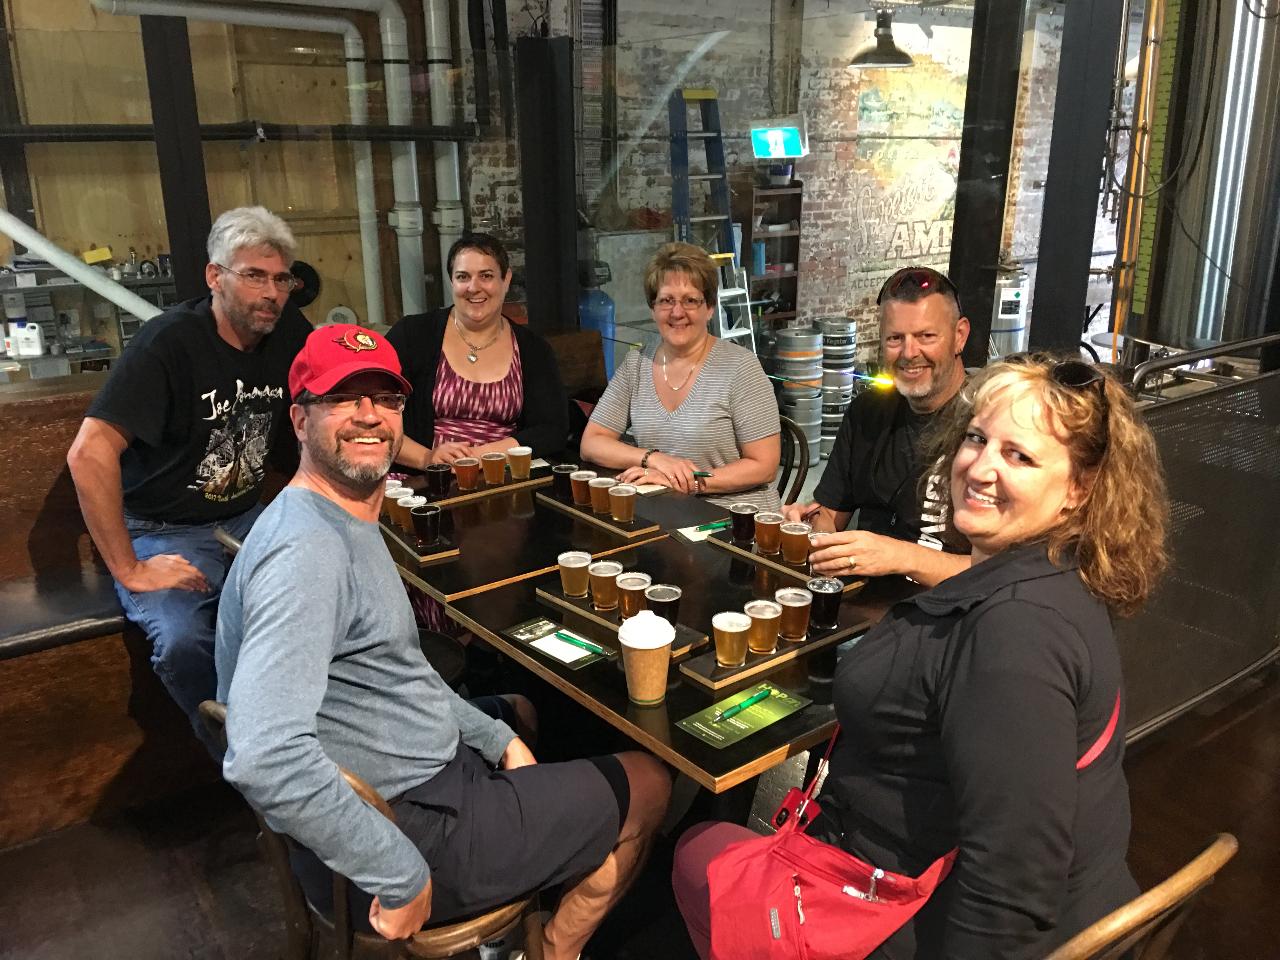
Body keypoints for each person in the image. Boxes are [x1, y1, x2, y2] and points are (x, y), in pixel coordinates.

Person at [673, 355, 1170, 959]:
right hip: (931, 870)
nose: (981, 467)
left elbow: (1012, 882)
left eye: (1019, 456)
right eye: (978, 439)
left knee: (697, 850)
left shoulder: (1015, 633)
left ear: (1079, 489)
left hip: (920, 910)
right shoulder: (1054, 577)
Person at [215, 324, 670, 958]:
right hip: (407, 826)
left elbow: (398, 669)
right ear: (298, 419)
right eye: (345, 398)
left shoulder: (336, 512)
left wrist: (496, 737)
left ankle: (525, 873)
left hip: (403, 768)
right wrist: (399, 876)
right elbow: (262, 755)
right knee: (651, 781)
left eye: (386, 399)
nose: (370, 416)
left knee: (521, 713)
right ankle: (549, 949)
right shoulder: (307, 554)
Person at [66, 206, 311, 743]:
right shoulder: (168, 342)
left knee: (330, 596)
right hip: (163, 531)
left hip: (250, 518)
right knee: (182, 642)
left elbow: (326, 410)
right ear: (214, 276)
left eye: (280, 279)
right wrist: (130, 569)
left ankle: (322, 745)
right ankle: (247, 768)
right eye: (253, 275)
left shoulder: (288, 331)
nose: (271, 293)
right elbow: (88, 454)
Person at [783, 266, 972, 587]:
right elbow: (830, 515)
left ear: (960, 336)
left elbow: (1005, 571)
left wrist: (897, 556)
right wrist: (812, 525)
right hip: (863, 604)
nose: (910, 353)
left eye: (926, 336)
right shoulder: (868, 411)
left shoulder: (989, 424)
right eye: (895, 338)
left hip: (948, 614)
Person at [580, 242, 781, 510]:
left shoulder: (741, 368)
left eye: (690, 300)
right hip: (666, 512)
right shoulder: (638, 363)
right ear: (653, 309)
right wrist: (653, 459)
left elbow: (764, 466)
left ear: (709, 307)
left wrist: (689, 482)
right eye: (666, 300)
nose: (677, 312)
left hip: (734, 520)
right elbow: (592, 443)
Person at [386, 232, 569, 468]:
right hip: (421, 480)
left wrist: (483, 456)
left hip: (502, 478)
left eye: (486, 276)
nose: (474, 287)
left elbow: (552, 430)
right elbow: (375, 415)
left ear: (506, 280)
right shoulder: (412, 334)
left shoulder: (533, 349)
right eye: (463, 277)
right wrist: (427, 458)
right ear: (452, 282)